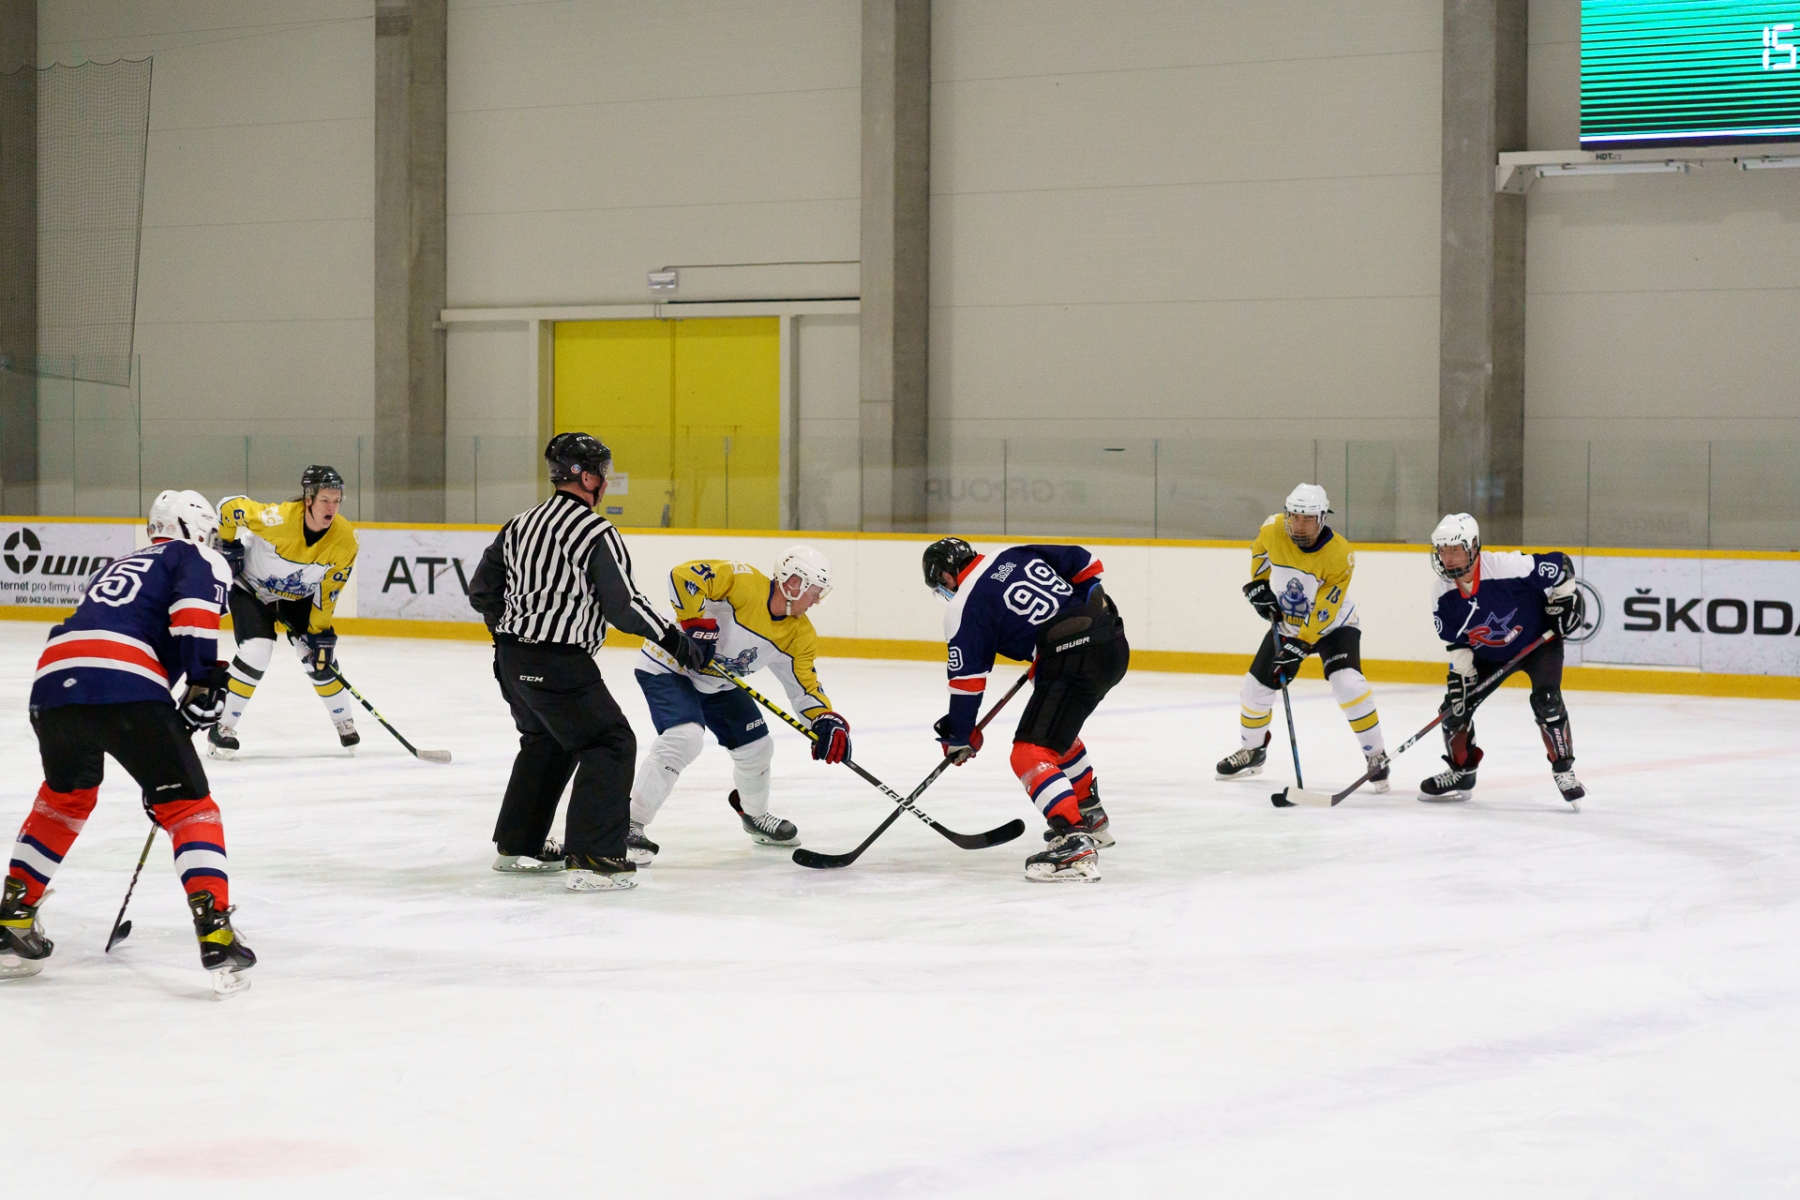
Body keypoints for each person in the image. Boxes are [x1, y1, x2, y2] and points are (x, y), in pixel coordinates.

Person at [1, 490, 255, 996]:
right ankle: (216, 933)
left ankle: (13, 916)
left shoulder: (118, 564)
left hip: (53, 681)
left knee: (65, 799)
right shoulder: (193, 555)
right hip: (124, 679)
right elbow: (193, 612)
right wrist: (203, 681)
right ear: (194, 529)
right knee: (188, 808)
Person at [468, 432, 708, 892]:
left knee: (546, 742)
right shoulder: (597, 532)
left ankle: (519, 845)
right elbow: (624, 605)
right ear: (586, 477)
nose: (606, 480)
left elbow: (482, 591)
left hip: (511, 660)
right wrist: (674, 640)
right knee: (610, 742)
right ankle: (595, 859)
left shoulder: (518, 524)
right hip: (561, 664)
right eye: (602, 472)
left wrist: (514, 637)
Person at [923, 537, 1128, 883]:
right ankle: (1090, 816)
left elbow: (967, 683)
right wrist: (1082, 618)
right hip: (1113, 643)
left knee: (1029, 753)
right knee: (1056, 735)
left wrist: (960, 734)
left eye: (941, 585)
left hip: (1073, 659)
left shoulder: (964, 606)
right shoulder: (1012, 553)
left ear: (946, 575)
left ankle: (1074, 840)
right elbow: (1087, 562)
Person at [628, 548, 848, 859]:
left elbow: (805, 687)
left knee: (757, 747)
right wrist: (694, 622)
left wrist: (824, 719)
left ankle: (754, 815)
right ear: (793, 583)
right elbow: (684, 576)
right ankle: (628, 824)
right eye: (814, 592)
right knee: (684, 738)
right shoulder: (742, 582)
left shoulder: (798, 634)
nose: (815, 601)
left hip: (717, 683)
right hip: (669, 664)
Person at [1215, 483, 1389, 788]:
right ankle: (1253, 750)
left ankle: (1376, 755)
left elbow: (1326, 609)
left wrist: (1301, 644)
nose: (1298, 526)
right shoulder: (1272, 530)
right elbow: (1260, 552)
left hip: (1334, 626)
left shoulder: (1340, 554)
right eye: (1294, 517)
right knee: (1255, 688)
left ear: (1322, 518)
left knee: (1348, 684)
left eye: (1307, 519)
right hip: (1289, 624)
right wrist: (1258, 584)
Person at [1420, 513, 1586, 806]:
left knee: (1547, 701)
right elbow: (1456, 641)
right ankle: (1462, 772)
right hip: (1488, 655)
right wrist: (1463, 676)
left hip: (1538, 643)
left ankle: (1564, 770)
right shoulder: (1442, 593)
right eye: (1443, 550)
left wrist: (1564, 600)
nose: (1448, 557)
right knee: (1453, 710)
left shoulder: (1507, 567)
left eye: (1456, 549)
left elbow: (1561, 565)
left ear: (1474, 547)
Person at [208, 465, 360, 757]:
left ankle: (344, 720)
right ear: (308, 499)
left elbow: (329, 592)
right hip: (251, 588)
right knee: (257, 650)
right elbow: (228, 507)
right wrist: (226, 544)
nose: (331, 507)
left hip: (299, 595)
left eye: (336, 500)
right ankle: (222, 726)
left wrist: (318, 633)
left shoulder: (345, 540)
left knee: (317, 656)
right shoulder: (277, 519)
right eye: (325, 500)